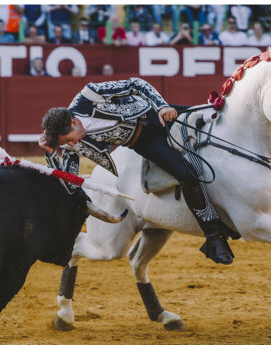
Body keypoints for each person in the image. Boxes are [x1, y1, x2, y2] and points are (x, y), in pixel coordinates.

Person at [38, 78, 235, 265]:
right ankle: (213, 234)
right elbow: (71, 185)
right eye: (66, 144)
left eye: (69, 139)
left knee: (216, 118)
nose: (72, 144)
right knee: (186, 175)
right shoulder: (71, 145)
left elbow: (135, 84)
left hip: (156, 115)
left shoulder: (90, 95)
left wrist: (162, 106)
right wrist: (50, 155)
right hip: (143, 142)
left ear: (73, 122)